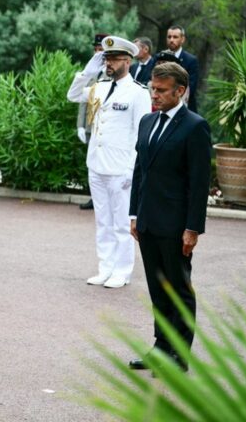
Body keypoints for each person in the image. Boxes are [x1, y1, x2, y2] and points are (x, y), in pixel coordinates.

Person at [128, 62, 211, 372]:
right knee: (158, 288)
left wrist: (193, 228)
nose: (155, 94)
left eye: (162, 91)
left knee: (179, 290)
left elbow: (199, 183)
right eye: (153, 88)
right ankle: (161, 348)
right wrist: (134, 213)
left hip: (176, 227)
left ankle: (179, 356)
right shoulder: (147, 122)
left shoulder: (195, 126)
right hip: (148, 222)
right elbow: (140, 171)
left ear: (180, 91)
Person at [66, 35, 151, 289]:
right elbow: (72, 96)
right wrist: (89, 70)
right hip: (97, 164)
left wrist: (132, 170)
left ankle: (122, 271)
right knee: (102, 221)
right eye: (106, 59)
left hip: (120, 168)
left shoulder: (138, 93)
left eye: (113, 59)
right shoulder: (99, 87)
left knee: (122, 223)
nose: (109, 63)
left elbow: (142, 135)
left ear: (127, 60)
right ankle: (105, 267)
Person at [77, 33, 109, 211]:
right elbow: (82, 99)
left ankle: (104, 198)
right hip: (91, 125)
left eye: (101, 50)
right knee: (92, 164)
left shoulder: (114, 72)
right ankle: (93, 197)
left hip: (107, 126)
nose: (97, 53)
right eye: (96, 49)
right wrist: (80, 125)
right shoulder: (91, 70)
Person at [165, 26, 199, 112]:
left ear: (182, 39)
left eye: (175, 37)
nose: (171, 40)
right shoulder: (159, 58)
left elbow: (191, 86)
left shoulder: (191, 60)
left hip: (184, 108)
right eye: (169, 37)